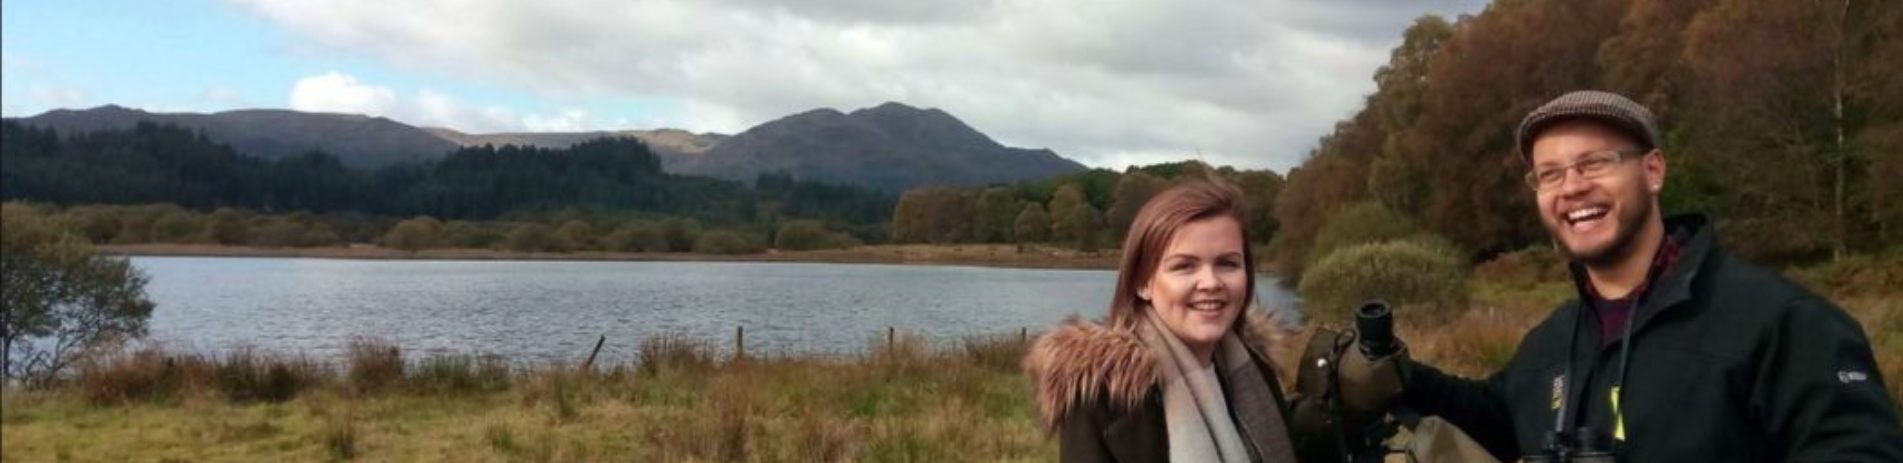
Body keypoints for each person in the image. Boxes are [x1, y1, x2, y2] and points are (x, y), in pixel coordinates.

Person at [1385, 90, 1903, 461]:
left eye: (1594, 163)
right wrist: (1394, 371)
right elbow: (1497, 417)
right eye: (1550, 174)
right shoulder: (1554, 340)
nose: (1572, 187)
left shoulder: (1782, 323)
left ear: (1653, 171)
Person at [1022, 179, 1332, 462]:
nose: (1210, 282)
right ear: (1143, 282)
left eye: (1227, 263)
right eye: (1184, 266)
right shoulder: (1105, 397)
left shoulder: (1253, 366)